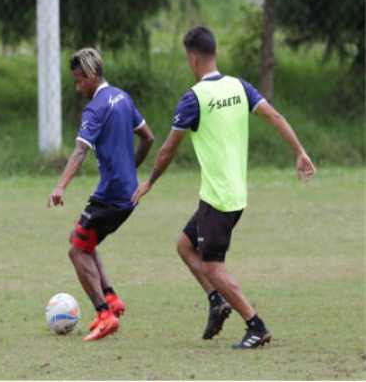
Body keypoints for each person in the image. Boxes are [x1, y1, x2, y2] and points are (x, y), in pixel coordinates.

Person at [132, 26, 316, 349]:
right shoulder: (239, 86)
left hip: (218, 199)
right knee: (185, 246)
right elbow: (273, 115)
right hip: (233, 195)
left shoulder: (194, 99)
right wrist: (299, 151)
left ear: (193, 58)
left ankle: (255, 324)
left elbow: (168, 150)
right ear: (213, 53)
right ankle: (217, 301)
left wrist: (148, 181)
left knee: (212, 266)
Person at [48, 48, 155, 341]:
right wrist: (130, 169)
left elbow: (80, 150)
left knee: (76, 249)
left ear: (93, 76)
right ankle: (111, 298)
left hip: (111, 194)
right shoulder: (122, 97)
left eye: (79, 80)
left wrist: (60, 187)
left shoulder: (96, 108)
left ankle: (103, 314)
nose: (77, 86)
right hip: (126, 192)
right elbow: (148, 137)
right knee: (85, 239)